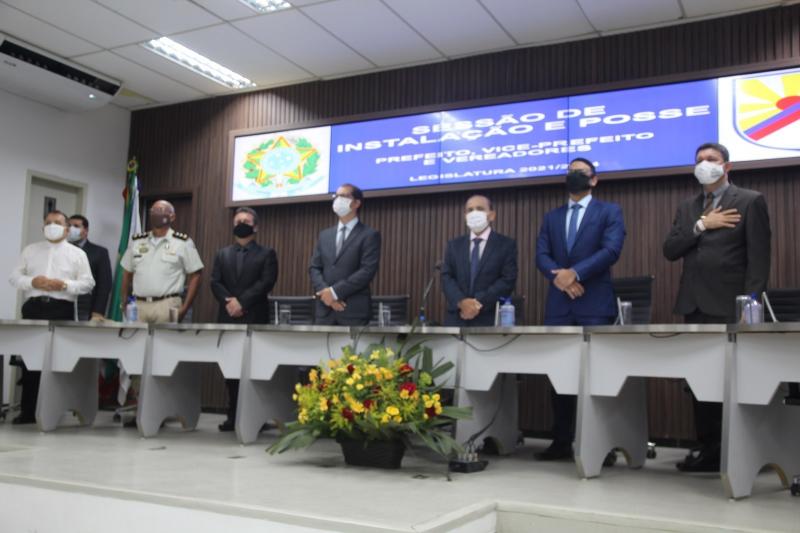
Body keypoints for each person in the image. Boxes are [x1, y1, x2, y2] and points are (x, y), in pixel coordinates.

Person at [663, 142, 770, 472]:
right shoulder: (688, 207)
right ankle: (709, 450)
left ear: (727, 166)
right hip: (694, 303)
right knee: (699, 381)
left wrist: (750, 306)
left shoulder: (750, 200)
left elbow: (759, 259)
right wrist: (701, 225)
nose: (704, 164)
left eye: (711, 159)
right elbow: (670, 249)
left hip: (730, 304)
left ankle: (739, 450)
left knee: (731, 380)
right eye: (699, 160)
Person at [535, 157, 626, 461]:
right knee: (559, 378)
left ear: (594, 180)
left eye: (581, 172)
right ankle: (561, 441)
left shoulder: (609, 211)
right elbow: (541, 254)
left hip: (594, 303)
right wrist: (560, 279)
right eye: (570, 172)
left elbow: (611, 250)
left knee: (596, 379)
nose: (574, 176)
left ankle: (601, 445)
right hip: (559, 305)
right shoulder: (552, 216)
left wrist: (574, 273)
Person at [8, 210, 95, 424]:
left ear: (66, 229)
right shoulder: (30, 250)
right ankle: (28, 411)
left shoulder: (77, 254)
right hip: (33, 307)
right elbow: (14, 277)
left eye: (57, 222)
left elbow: (88, 283)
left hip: (62, 308)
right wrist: (32, 282)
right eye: (48, 222)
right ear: (42, 227)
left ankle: (54, 410)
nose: (52, 226)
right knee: (30, 361)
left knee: (58, 361)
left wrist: (65, 285)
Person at [210, 207, 278, 431]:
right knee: (230, 370)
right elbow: (215, 282)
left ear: (255, 227)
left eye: (246, 221)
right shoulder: (222, 254)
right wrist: (230, 303)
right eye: (238, 220)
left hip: (254, 317)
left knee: (254, 369)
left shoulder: (267, 254)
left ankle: (256, 416)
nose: (241, 224)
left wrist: (242, 303)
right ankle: (233, 416)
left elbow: (266, 282)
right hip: (228, 317)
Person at [119, 200, 203, 323]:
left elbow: (196, 275)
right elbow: (126, 273)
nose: (156, 214)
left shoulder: (183, 243)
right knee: (136, 336)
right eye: (153, 211)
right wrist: (124, 302)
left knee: (165, 336)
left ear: (172, 217)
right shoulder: (137, 241)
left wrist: (185, 308)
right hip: (139, 305)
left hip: (167, 305)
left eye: (160, 210)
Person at [309, 184, 381, 325]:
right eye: (336, 196)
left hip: (353, 311)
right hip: (325, 310)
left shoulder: (369, 235)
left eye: (342, 196)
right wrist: (327, 296)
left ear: (356, 203)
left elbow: (367, 271)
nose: (337, 200)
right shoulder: (325, 235)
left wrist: (334, 292)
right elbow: (314, 268)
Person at [441, 195, 517, 326]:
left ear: (492, 215)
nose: (474, 213)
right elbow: (447, 277)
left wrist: (477, 303)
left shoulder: (506, 245)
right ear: (465, 216)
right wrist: (462, 302)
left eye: (480, 209)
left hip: (488, 319)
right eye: (470, 210)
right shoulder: (454, 245)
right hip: (457, 318)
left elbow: (507, 280)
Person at [67, 215, 112, 321]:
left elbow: (104, 285)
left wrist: (98, 311)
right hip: (63, 305)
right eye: (69, 225)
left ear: (86, 230)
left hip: (86, 308)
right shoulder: (62, 250)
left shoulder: (99, 252)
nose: (71, 229)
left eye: (76, 226)